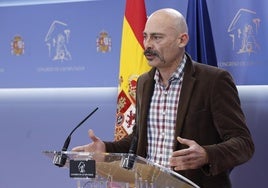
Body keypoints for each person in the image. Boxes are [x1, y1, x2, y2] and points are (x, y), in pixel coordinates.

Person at [72, 8, 254, 188]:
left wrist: (207, 154)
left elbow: (243, 144)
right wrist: (106, 149)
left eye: (157, 37)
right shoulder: (144, 82)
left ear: (182, 40)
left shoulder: (214, 81)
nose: (148, 44)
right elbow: (140, 139)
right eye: (145, 36)